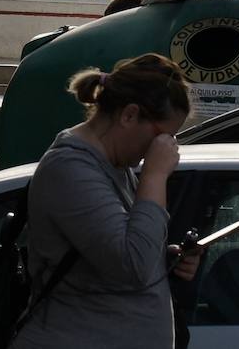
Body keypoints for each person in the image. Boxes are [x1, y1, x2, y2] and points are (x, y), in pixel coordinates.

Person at [12, 54, 202, 348]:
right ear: (129, 115)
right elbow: (131, 266)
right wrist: (154, 175)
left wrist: (164, 257)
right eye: (161, 138)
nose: (165, 149)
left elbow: (115, 251)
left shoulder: (117, 165)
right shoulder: (70, 169)